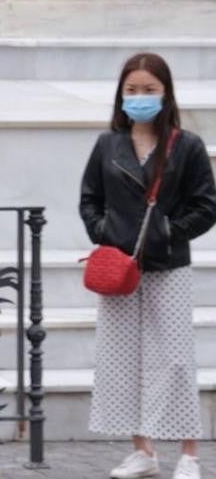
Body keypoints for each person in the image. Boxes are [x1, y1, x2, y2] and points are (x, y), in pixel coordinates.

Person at [81, 52, 216, 479]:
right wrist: (107, 231)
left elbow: (206, 206)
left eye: (149, 90)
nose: (140, 97)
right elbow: (89, 201)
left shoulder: (187, 145)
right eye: (132, 90)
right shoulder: (108, 145)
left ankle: (190, 455)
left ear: (165, 93)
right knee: (122, 359)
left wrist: (166, 233)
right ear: (121, 95)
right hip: (119, 269)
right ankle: (143, 451)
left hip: (168, 267)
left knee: (175, 359)